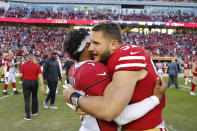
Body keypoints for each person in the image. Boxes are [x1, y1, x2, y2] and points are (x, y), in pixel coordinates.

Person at [63, 21, 166, 130]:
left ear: (113, 44)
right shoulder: (104, 59)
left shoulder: (127, 55)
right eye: (90, 43)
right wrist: (82, 104)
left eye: (96, 43)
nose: (91, 48)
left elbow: (112, 112)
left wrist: (76, 99)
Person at [19, 54, 45, 120]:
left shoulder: (23, 65)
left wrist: (23, 78)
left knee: (27, 99)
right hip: (34, 82)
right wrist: (42, 85)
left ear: (27, 59)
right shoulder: (36, 65)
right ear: (33, 59)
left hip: (26, 82)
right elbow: (40, 76)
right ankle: (34, 112)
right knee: (34, 97)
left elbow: (20, 75)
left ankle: (28, 115)